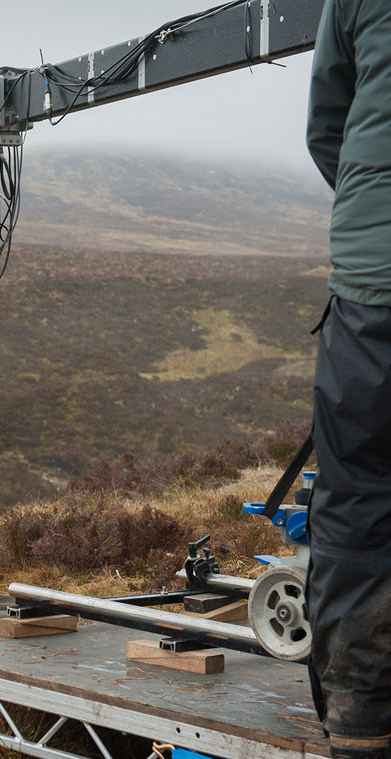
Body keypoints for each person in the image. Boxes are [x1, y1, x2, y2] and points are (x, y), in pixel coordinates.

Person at [306, 2, 391, 757]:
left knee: (359, 500)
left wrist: (374, 215)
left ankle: (359, 717)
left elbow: (326, 124)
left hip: (370, 291)